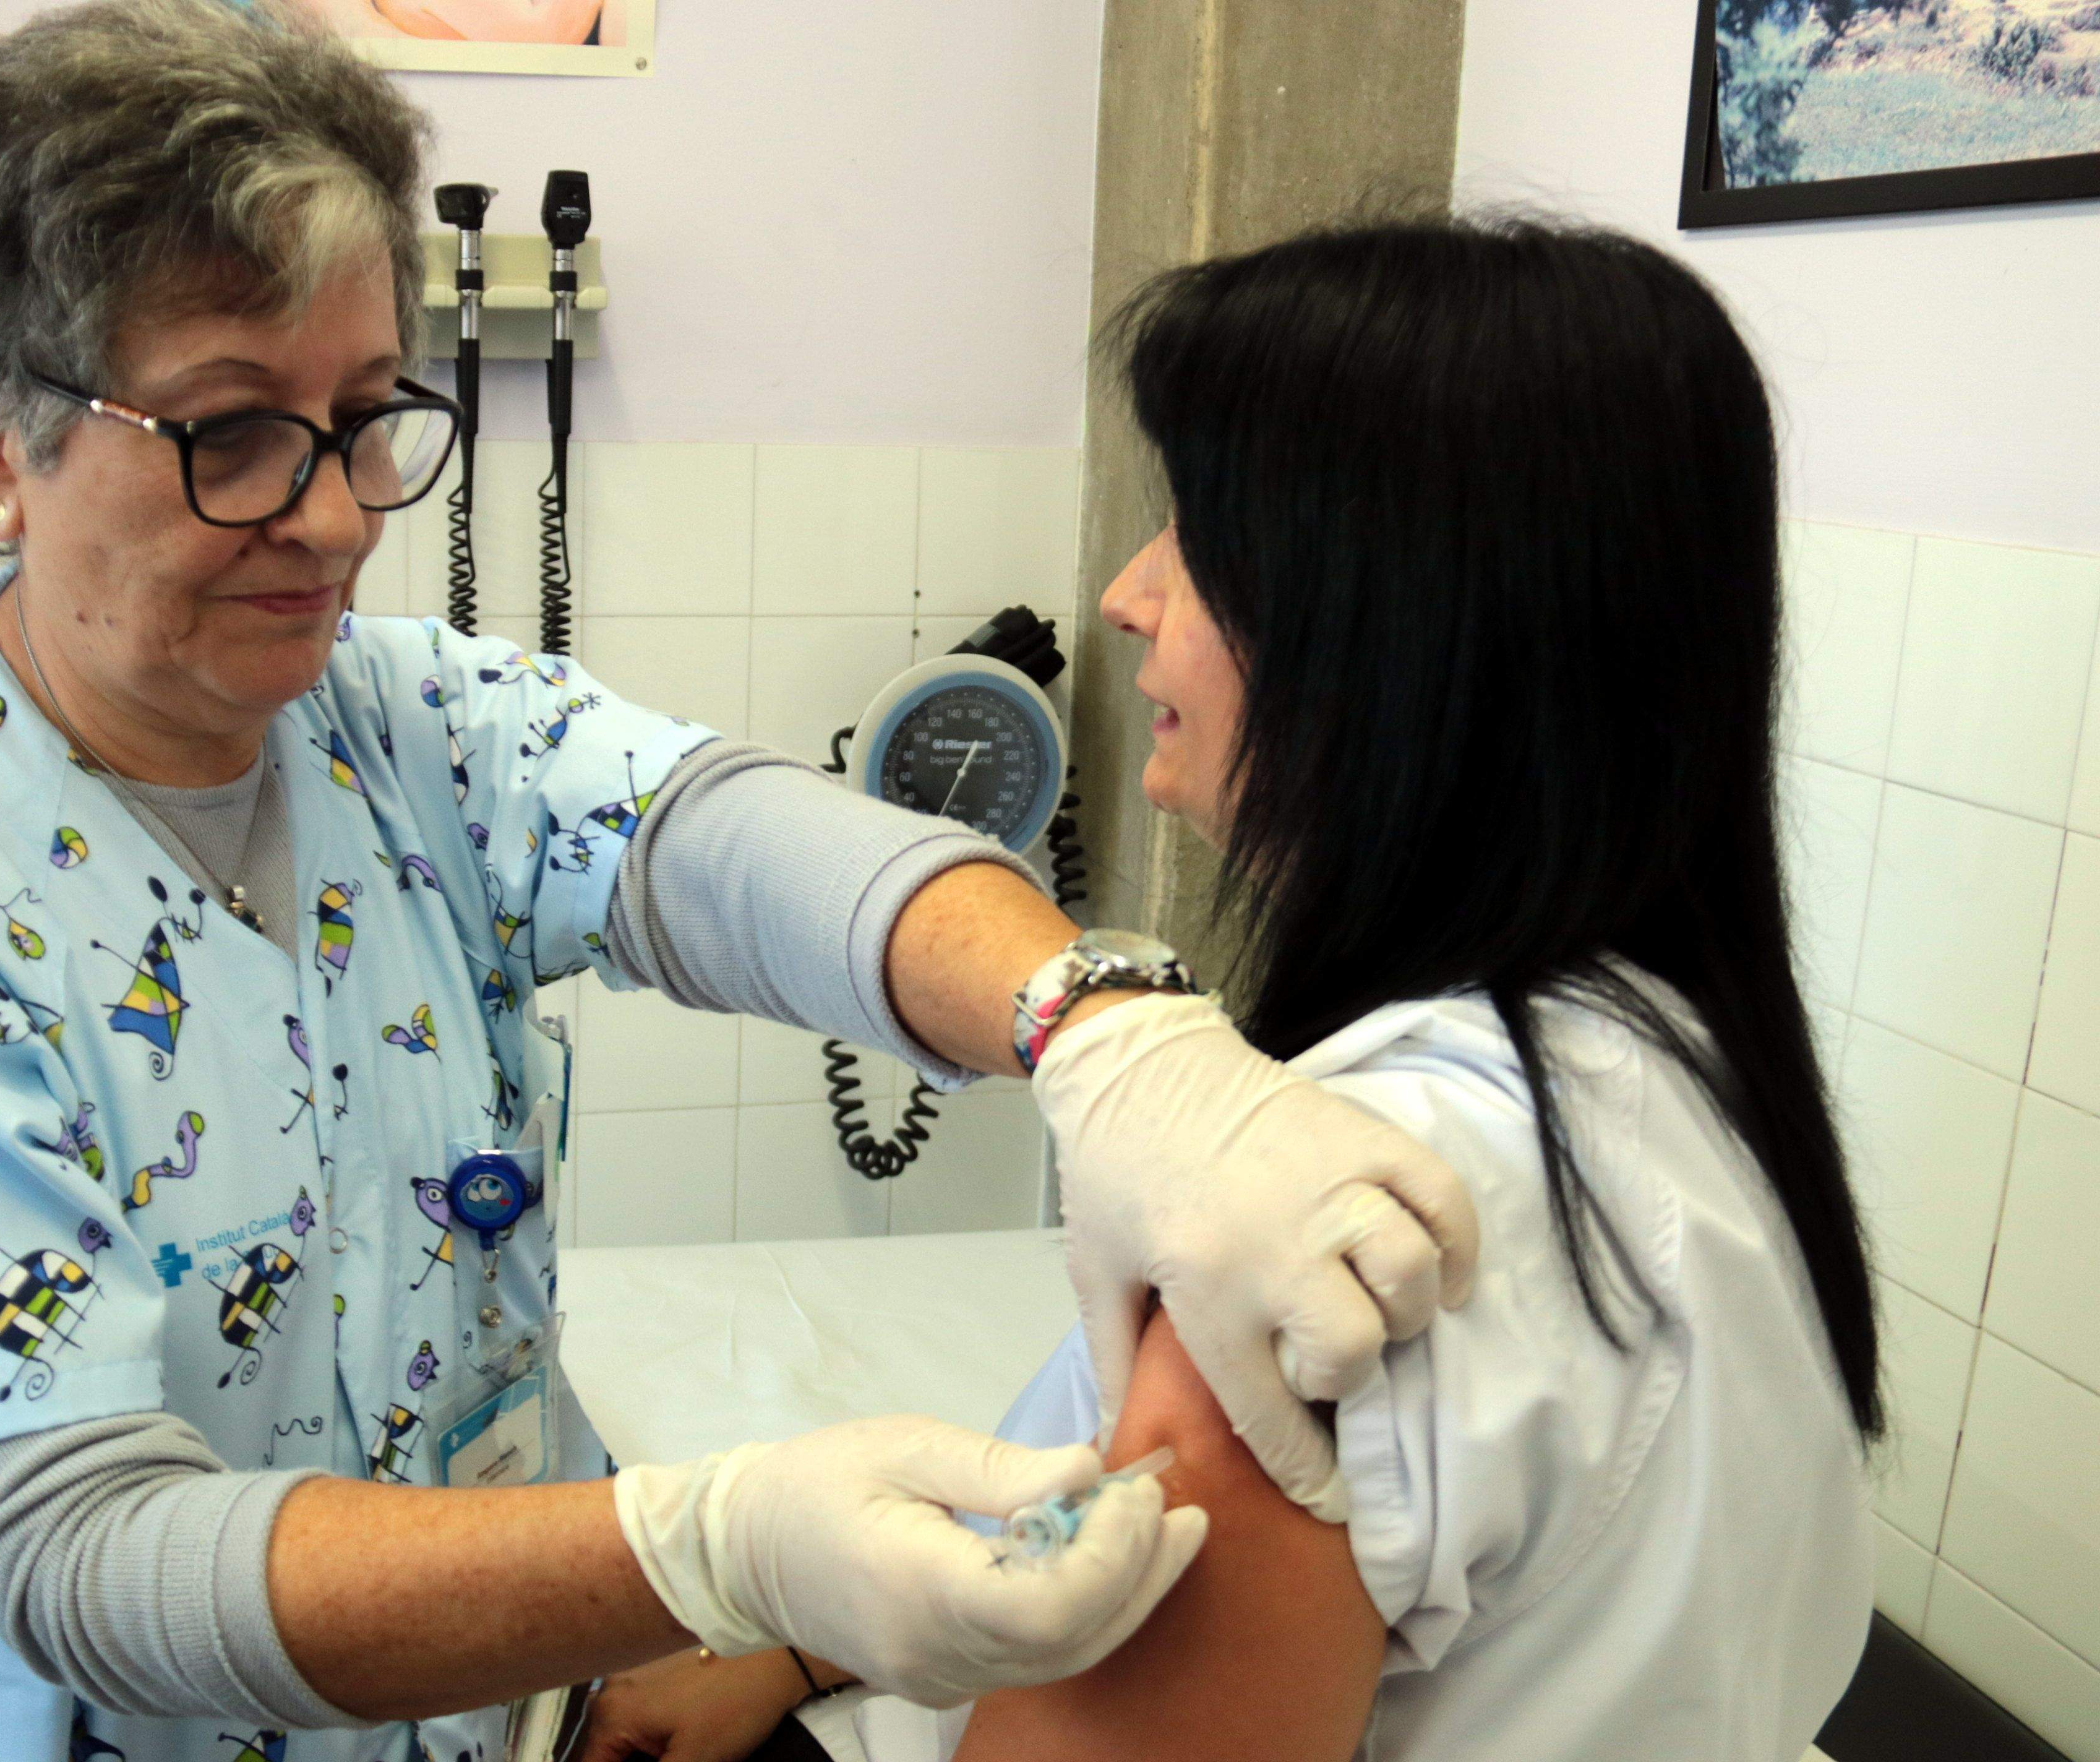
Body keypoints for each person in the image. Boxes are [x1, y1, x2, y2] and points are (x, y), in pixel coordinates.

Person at [0, 9, 1483, 1762]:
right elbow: (87, 1560)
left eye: (367, 411)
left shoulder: (403, 722)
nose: (341, 513)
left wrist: (1091, 1031)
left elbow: (720, 843)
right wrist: (707, 1549)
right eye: (230, 433)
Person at [581, 216, 1882, 1762]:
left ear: (1397, 616)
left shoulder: (1313, 1251)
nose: (1128, 594)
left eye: (1196, 529)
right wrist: (802, 1642)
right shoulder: (1679, 1059)